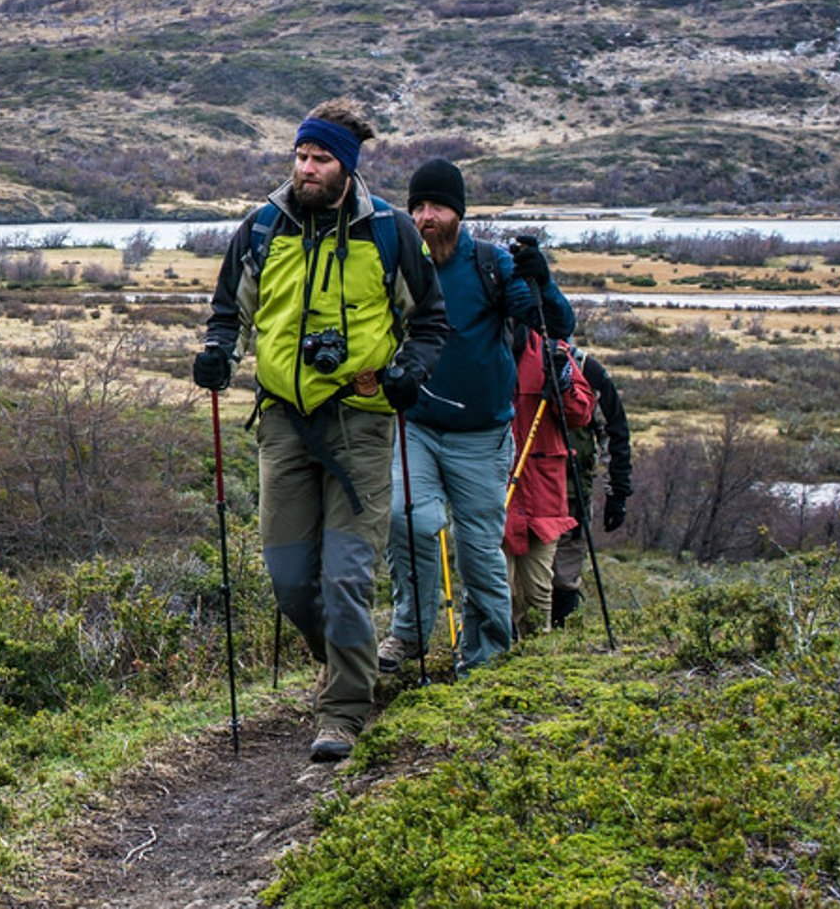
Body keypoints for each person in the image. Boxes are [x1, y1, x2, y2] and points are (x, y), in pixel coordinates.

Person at [191, 99, 449, 763]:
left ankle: (343, 709)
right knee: (289, 579)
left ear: (347, 167)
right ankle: (341, 659)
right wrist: (219, 352)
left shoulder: (389, 230)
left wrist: (407, 373)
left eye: (321, 158)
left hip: (360, 423)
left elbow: (429, 323)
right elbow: (230, 313)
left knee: (345, 577)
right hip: (281, 422)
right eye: (301, 156)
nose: (307, 169)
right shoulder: (260, 228)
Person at [377, 160, 576, 678]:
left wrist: (542, 282)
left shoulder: (491, 265)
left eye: (437, 207)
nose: (425, 217)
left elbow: (555, 323)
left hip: (483, 434)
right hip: (415, 424)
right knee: (407, 519)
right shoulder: (398, 262)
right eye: (417, 207)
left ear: (459, 213)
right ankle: (411, 632)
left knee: (478, 546)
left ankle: (485, 657)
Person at [506, 328, 594, 638]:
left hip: (542, 494)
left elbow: (581, 413)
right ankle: (493, 667)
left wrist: (564, 382)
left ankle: (536, 658)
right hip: (492, 491)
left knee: (537, 592)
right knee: (498, 592)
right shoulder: (476, 345)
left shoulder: (551, 351)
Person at [551, 345, 633, 626]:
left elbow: (615, 430)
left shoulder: (586, 369)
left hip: (571, 495)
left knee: (563, 576)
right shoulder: (513, 356)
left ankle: (558, 645)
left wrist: (617, 493)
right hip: (523, 491)